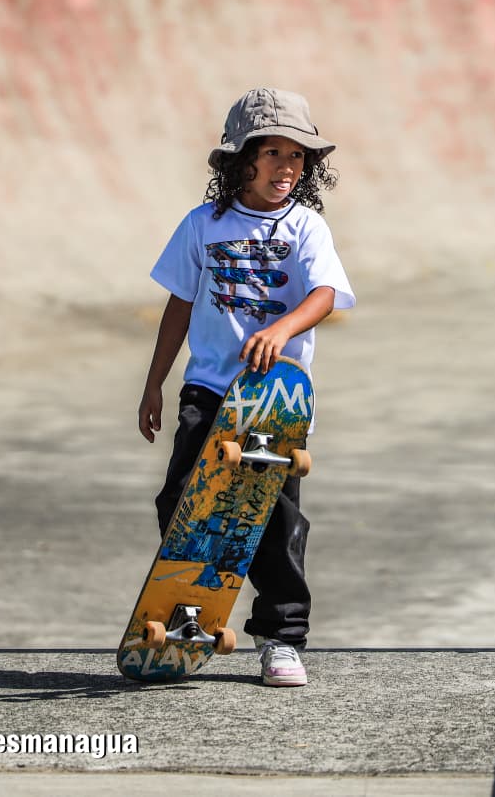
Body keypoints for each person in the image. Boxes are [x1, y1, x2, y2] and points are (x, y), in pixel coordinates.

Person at [138, 88, 355, 686]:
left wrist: (282, 330)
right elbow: (179, 306)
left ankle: (281, 638)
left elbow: (325, 294)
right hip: (209, 388)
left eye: (297, 155)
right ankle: (190, 610)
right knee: (182, 501)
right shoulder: (202, 224)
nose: (286, 167)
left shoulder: (306, 226)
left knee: (277, 520)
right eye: (273, 153)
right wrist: (154, 383)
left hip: (275, 399)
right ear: (242, 160)